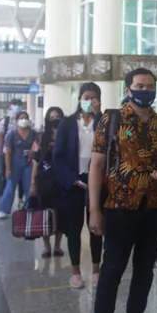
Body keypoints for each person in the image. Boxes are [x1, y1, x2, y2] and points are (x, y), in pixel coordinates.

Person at [88, 68, 157, 313]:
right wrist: (94, 210)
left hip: (153, 208)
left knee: (144, 271)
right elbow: (97, 166)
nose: (145, 90)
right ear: (128, 89)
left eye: (150, 86)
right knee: (111, 271)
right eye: (140, 85)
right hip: (118, 209)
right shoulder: (110, 121)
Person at [53, 83, 105, 289]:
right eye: (86, 96)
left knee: (96, 227)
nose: (89, 101)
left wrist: (99, 114)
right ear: (79, 98)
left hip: (97, 179)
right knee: (73, 229)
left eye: (94, 97)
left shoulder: (103, 121)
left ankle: (95, 270)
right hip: (73, 181)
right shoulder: (67, 123)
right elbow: (58, 156)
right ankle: (75, 271)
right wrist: (71, 179)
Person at [30, 107, 64, 258]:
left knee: (61, 213)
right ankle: (46, 246)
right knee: (45, 213)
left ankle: (57, 245)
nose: (54, 119)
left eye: (57, 116)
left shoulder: (67, 135)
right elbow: (36, 161)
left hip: (62, 180)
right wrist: (32, 183)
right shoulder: (41, 138)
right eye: (52, 117)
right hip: (44, 180)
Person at [0, 111, 36, 218]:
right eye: (21, 118)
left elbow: (36, 146)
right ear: (17, 120)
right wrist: (8, 169)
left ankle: (29, 208)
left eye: (25, 118)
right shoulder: (12, 134)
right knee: (10, 186)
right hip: (15, 163)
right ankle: (4, 209)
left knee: (29, 187)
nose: (24, 120)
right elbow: (8, 151)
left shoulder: (33, 133)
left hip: (28, 163)